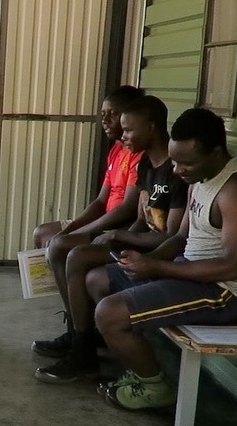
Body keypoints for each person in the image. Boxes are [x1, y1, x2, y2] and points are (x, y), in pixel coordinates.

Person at [82, 108, 237, 409]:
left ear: (216, 152)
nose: (177, 170)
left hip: (222, 292)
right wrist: (143, 263)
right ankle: (138, 366)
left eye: (187, 162)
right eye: (174, 161)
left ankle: (154, 386)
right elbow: (179, 238)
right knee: (98, 278)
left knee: (109, 313)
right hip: (187, 272)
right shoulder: (199, 179)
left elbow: (235, 266)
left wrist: (158, 267)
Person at [35, 95, 188, 382]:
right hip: (140, 241)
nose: (123, 134)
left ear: (153, 128)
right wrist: (118, 238)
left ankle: (83, 350)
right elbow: (142, 221)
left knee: (78, 256)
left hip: (162, 253)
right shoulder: (146, 165)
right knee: (75, 254)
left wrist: (118, 235)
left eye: (129, 129)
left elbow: (171, 237)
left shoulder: (176, 172)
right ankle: (81, 340)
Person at [30, 85, 145, 357]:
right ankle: (75, 323)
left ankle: (80, 336)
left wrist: (77, 235)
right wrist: (71, 229)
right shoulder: (117, 151)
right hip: (105, 220)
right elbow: (100, 201)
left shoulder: (138, 155)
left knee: (60, 248)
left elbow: (127, 209)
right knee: (44, 234)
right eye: (103, 114)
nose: (104, 121)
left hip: (119, 227)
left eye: (112, 115)